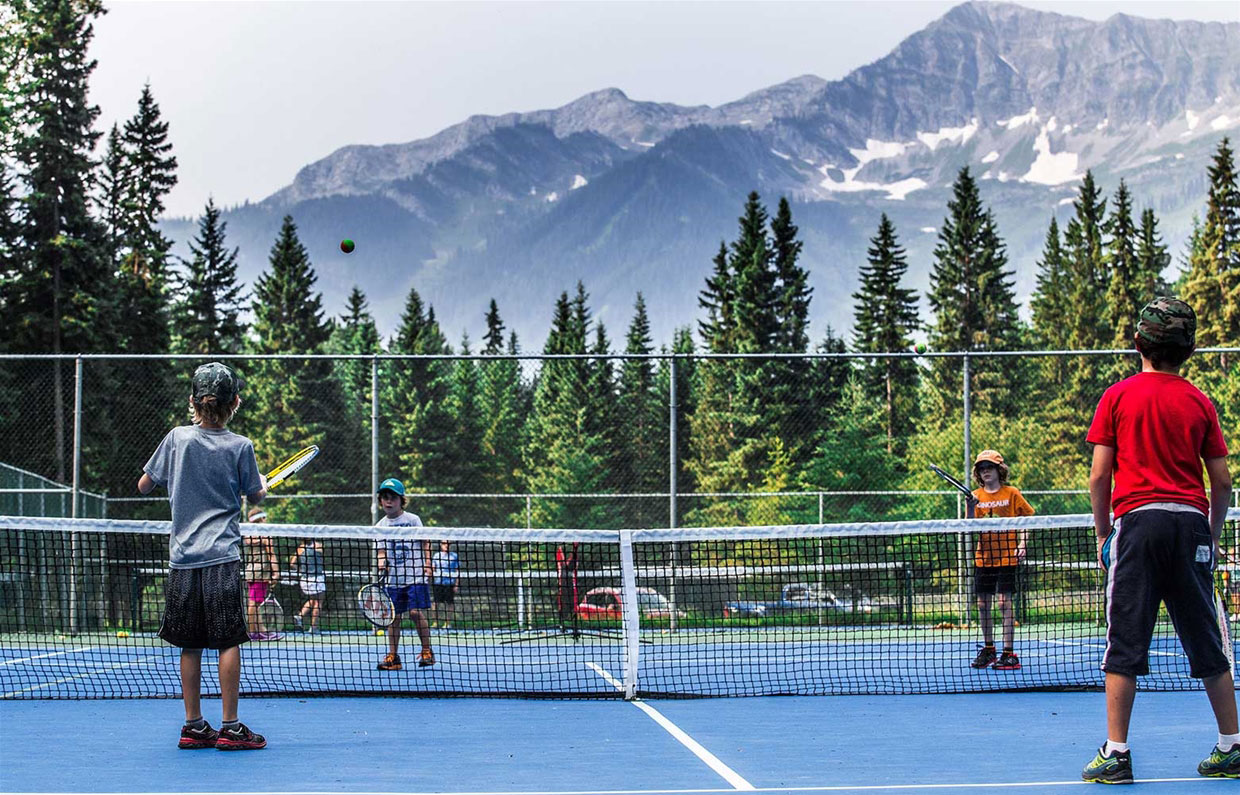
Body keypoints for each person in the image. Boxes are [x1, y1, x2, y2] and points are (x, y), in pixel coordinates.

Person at [1081, 298, 1236, 784]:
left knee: (1124, 641)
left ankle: (1116, 754)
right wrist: (1207, 536)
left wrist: (1105, 533)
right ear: (1187, 351)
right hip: (1190, 525)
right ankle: (1232, 745)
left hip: (1139, 527)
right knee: (1206, 639)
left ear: (1138, 344)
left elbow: (1099, 477)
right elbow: (1223, 482)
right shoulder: (1199, 402)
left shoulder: (1117, 396)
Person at [138, 361, 268, 751]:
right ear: (235, 403)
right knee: (229, 641)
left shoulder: (177, 438)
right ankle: (230, 726)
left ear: (193, 401)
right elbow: (256, 495)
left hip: (183, 560)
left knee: (190, 645)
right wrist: (259, 486)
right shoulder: (241, 446)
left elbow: (144, 485)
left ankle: (193, 725)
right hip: (222, 558)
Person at [967, 449, 1035, 671]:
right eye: (981, 469)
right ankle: (989, 649)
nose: (985, 471)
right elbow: (969, 526)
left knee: (1004, 603)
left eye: (989, 467)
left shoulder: (1012, 493)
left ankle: (1008, 653)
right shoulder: (977, 496)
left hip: (1007, 557)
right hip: (984, 559)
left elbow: (1027, 518)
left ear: (999, 470)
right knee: (982, 604)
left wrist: (1022, 543)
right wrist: (970, 506)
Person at [373, 477, 435, 670]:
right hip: (394, 580)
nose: (389, 501)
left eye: (393, 497)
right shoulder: (379, 527)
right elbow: (381, 551)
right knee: (394, 617)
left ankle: (427, 651)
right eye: (385, 497)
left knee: (415, 612)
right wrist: (382, 562)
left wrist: (428, 563)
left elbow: (425, 542)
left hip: (416, 575)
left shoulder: (413, 520)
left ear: (402, 500)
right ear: (380, 501)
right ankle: (394, 656)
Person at [244, 508, 280, 641]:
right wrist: (276, 573)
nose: (266, 519)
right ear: (261, 519)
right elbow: (271, 555)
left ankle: (261, 630)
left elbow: (249, 542)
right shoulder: (265, 535)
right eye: (264, 517)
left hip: (250, 571)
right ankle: (254, 633)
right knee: (253, 603)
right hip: (261, 573)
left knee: (255, 603)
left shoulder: (248, 533)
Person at [290, 538, 326, 634]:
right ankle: (313, 627)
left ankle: (300, 616)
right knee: (318, 603)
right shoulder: (318, 545)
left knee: (312, 600)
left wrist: (301, 570)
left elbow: (292, 563)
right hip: (317, 578)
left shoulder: (300, 548)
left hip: (305, 579)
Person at [431, 540, 460, 629]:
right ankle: (435, 622)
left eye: (448, 544)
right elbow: (433, 569)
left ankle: (447, 623)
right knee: (435, 603)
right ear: (441, 545)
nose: (446, 545)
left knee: (449, 603)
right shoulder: (436, 556)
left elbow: (457, 570)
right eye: (444, 543)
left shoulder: (454, 556)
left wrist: (456, 584)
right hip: (438, 583)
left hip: (449, 583)